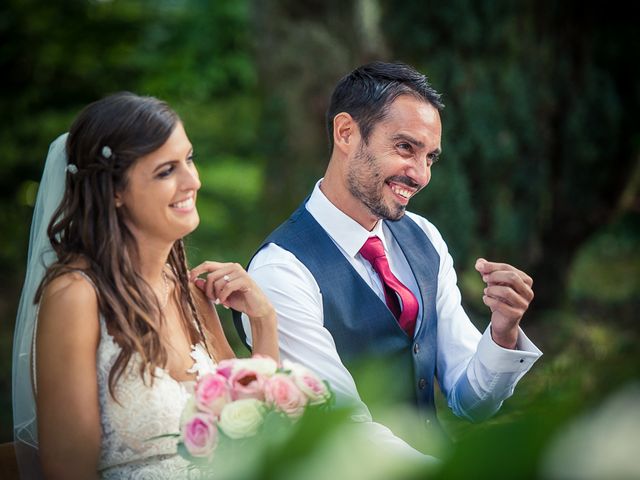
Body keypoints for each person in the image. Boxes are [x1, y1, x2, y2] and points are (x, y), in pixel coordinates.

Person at [234, 61, 542, 448]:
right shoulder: (281, 273)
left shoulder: (424, 236)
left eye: (430, 157)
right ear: (346, 133)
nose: (420, 175)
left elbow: (471, 401)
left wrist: (501, 333)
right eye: (404, 147)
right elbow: (343, 433)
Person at [11, 92, 278, 479]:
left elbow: (254, 429)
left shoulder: (190, 293)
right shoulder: (76, 297)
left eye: (189, 159)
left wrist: (264, 321)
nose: (192, 181)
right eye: (166, 170)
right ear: (115, 191)